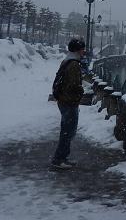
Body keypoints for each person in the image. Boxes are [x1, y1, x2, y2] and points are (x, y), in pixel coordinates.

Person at [50, 37, 86, 170]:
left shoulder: (66, 61)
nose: (84, 51)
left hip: (64, 101)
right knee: (67, 132)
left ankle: (62, 157)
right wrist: (81, 92)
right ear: (77, 50)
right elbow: (73, 85)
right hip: (69, 102)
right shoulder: (74, 65)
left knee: (66, 131)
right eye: (82, 49)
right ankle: (59, 159)